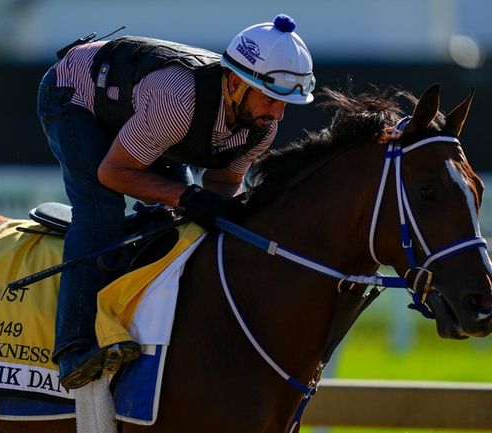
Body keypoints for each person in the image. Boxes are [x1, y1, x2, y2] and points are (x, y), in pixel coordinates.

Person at [36, 13, 316, 390]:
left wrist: (210, 209)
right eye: (270, 99)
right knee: (101, 210)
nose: (278, 115)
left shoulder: (261, 129)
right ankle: (74, 346)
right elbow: (113, 173)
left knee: (180, 221)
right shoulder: (179, 101)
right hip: (74, 94)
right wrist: (184, 195)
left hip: (141, 111)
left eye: (286, 103)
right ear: (235, 83)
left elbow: (220, 185)